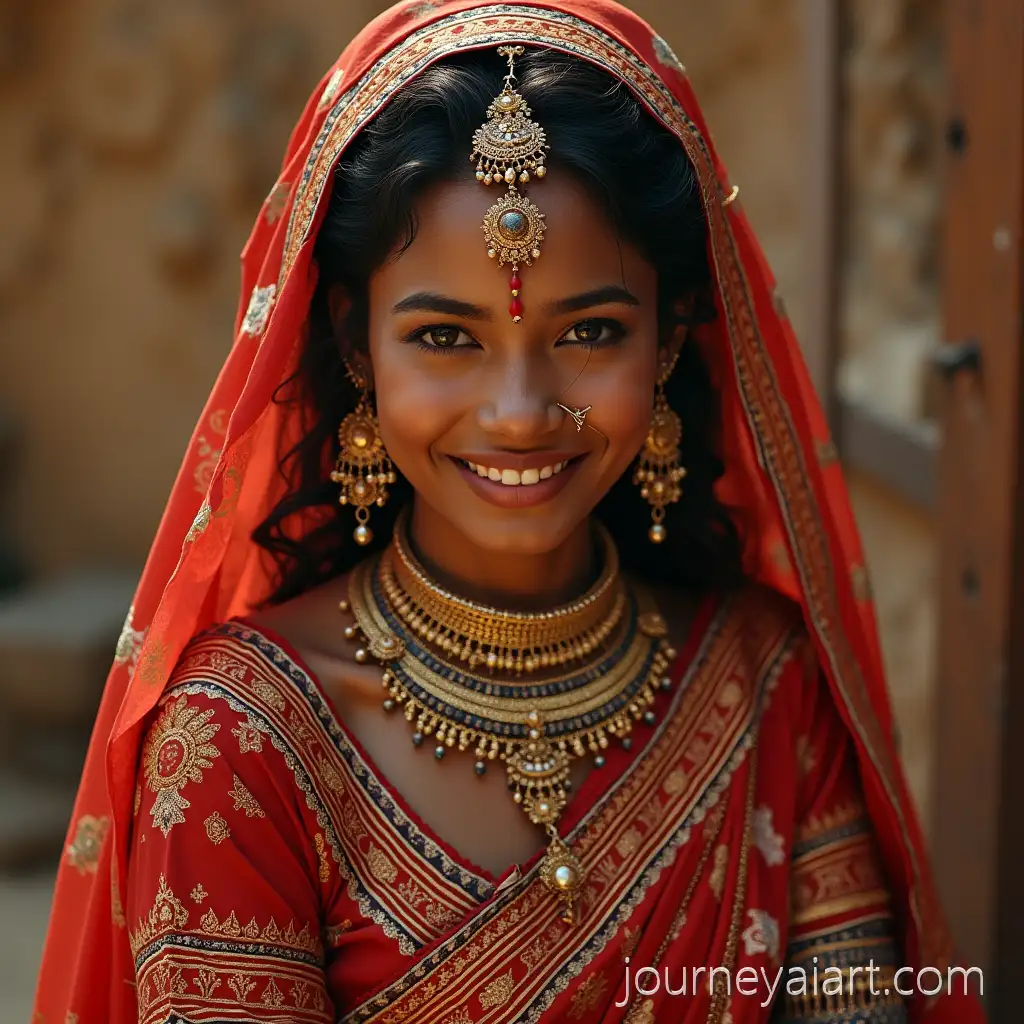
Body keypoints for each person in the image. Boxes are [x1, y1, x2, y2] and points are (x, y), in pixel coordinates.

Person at [33, 1, 985, 1021]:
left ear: (667, 342)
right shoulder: (240, 745)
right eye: (447, 338)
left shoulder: (764, 689)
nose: (522, 414)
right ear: (356, 349)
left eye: (590, 332)